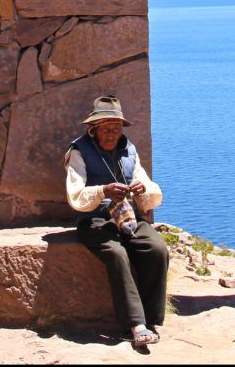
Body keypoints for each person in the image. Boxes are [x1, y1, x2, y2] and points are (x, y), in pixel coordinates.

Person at [65, 95, 168, 348]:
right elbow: (75, 195)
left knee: (156, 248)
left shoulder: (129, 149)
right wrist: (103, 191)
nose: (112, 133)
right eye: (106, 128)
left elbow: (145, 182)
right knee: (117, 253)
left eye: (116, 127)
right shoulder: (78, 151)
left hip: (128, 217)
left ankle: (152, 318)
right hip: (95, 220)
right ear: (94, 129)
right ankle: (136, 325)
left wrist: (142, 188)